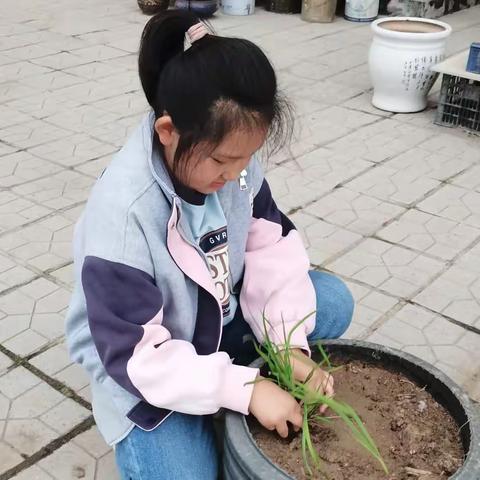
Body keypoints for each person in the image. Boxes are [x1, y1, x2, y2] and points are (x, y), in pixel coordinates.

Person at [65, 10, 354, 480]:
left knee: (333, 301)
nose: (234, 176)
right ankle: (215, 388)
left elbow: (269, 248)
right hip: (145, 358)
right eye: (222, 161)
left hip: (217, 317)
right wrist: (246, 389)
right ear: (167, 132)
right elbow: (137, 356)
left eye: (246, 160)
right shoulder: (123, 214)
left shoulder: (235, 168)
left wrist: (287, 350)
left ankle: (234, 372)